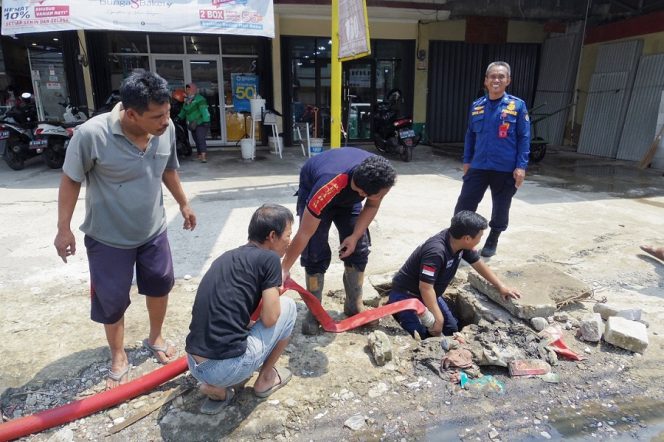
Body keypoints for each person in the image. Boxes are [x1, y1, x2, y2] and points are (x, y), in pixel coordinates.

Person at [53, 70, 196, 389]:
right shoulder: (91, 135)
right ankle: (118, 354)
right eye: (157, 116)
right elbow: (70, 179)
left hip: (153, 230)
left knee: (160, 283)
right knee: (112, 298)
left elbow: (168, 169)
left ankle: (155, 337)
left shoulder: (166, 129)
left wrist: (184, 204)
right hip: (108, 237)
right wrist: (64, 229)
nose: (165, 121)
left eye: (167, 113)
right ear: (131, 114)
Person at [186, 204, 297, 414]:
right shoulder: (270, 259)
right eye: (288, 235)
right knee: (289, 306)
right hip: (225, 369)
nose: (289, 242)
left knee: (249, 325)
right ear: (272, 236)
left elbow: (228, 305)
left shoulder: (226, 257)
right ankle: (265, 379)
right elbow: (271, 318)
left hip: (194, 363)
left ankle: (218, 389)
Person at [281, 147, 397, 335]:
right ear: (361, 191)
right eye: (377, 194)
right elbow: (304, 233)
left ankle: (354, 304)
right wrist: (284, 268)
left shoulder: (380, 176)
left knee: (359, 248)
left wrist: (354, 236)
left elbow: (372, 204)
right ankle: (314, 310)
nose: (381, 197)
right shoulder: (328, 186)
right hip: (315, 188)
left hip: (348, 197)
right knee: (314, 251)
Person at [388, 211, 521, 340]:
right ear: (467, 238)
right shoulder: (436, 252)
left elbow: (478, 264)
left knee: (451, 328)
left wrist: (501, 286)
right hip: (407, 295)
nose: (480, 240)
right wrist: (438, 318)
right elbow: (425, 288)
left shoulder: (459, 242)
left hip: (431, 294)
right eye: (480, 236)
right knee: (421, 335)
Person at [454, 61, 531, 258]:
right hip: (479, 165)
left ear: (508, 81)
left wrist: (521, 166)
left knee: (501, 205)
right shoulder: (477, 106)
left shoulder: (517, 106)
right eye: (492, 77)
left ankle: (493, 237)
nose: (496, 80)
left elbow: (524, 138)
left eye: (501, 77)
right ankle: (460, 239)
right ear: (486, 81)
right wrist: (467, 160)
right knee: (465, 203)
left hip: (505, 168)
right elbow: (470, 135)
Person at [178, 82, 210, 163]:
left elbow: (204, 110)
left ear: (193, 90)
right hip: (193, 124)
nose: (187, 91)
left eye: (189, 89)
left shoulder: (200, 99)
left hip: (201, 122)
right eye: (186, 89)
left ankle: (203, 156)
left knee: (200, 139)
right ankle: (199, 156)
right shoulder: (187, 100)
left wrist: (206, 120)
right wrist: (179, 117)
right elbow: (184, 111)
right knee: (196, 139)